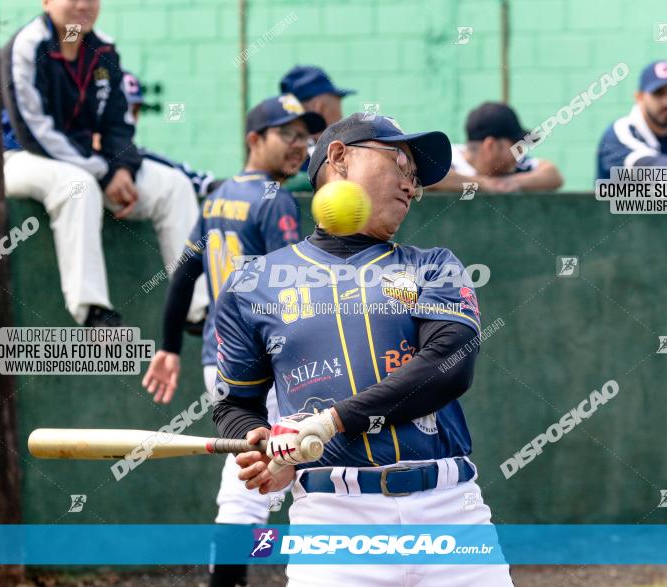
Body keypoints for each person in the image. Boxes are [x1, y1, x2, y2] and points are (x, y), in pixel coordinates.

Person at [214, 113, 513, 586]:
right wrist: (265, 447)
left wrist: (330, 422)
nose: (412, 187)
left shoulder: (433, 267)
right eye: (401, 165)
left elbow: (448, 367)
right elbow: (235, 403)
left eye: (416, 179)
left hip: (450, 516)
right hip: (334, 526)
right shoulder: (252, 284)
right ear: (339, 157)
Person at [141, 94, 325, 587]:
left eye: (303, 135)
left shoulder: (220, 195)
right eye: (285, 134)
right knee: (268, 482)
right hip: (262, 364)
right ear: (254, 139)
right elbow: (293, 287)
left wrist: (169, 347)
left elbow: (183, 275)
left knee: (247, 483)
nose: (297, 145)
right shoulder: (275, 198)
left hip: (218, 360)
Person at [0, 0, 207, 326]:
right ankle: (92, 309)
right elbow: (34, 132)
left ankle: (197, 309)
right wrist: (104, 172)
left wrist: (122, 168)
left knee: (174, 186)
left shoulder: (103, 49)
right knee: (77, 185)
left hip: (89, 162)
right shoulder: (27, 46)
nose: (84, 5)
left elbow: (117, 123)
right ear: (47, 2)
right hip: (19, 158)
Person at [95, 71, 222, 199]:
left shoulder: (135, 156)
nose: (132, 118)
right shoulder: (81, 154)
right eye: (126, 110)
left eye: (135, 110)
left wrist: (209, 185)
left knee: (177, 184)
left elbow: (194, 179)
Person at [430, 102, 563, 193]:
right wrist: (483, 184)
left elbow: (553, 175)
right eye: (515, 145)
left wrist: (512, 182)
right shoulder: (445, 159)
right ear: (491, 146)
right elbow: (426, 178)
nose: (521, 151)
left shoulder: (515, 165)